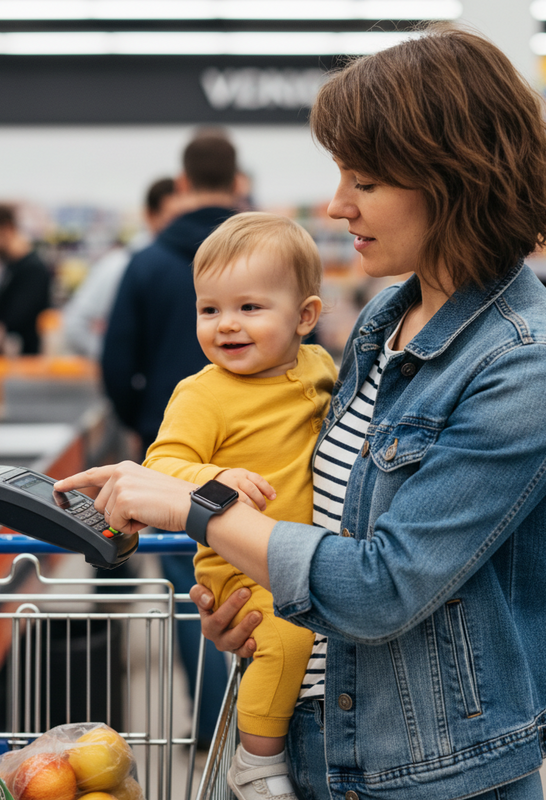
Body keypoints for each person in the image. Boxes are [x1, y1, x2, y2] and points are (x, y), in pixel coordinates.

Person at [55, 24, 546, 800]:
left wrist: (194, 505)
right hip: (324, 740)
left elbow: (383, 586)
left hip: (434, 775)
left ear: (454, 178)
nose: (339, 204)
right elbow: (328, 524)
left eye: (366, 182)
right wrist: (247, 600)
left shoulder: (526, 364)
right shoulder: (387, 318)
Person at [143, 212, 337, 800]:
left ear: (305, 317)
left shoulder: (321, 368)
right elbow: (159, 468)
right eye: (210, 309)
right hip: (239, 567)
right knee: (285, 639)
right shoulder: (203, 393)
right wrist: (214, 476)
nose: (226, 325)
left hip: (302, 554)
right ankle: (256, 759)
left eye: (250, 308)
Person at [102, 132, 242, 744]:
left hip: (171, 462)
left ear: (182, 185)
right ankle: (265, 729)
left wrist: (149, 425)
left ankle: (218, 731)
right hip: (261, 460)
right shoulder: (263, 257)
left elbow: (114, 362)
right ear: (238, 182)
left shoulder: (149, 261)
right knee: (270, 584)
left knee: (195, 591)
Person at [63, 177, 178, 362]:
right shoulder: (119, 265)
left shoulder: (192, 263)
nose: (180, 225)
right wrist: (119, 357)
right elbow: (75, 325)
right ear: (150, 215)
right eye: (173, 217)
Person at [0, 203, 51, 356]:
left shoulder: (33, 268)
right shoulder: (10, 266)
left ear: (7, 228)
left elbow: (20, 317)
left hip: (25, 363)